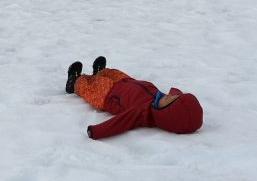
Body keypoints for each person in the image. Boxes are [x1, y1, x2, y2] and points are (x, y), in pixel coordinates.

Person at [65, 56, 203, 139]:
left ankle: (75, 82)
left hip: (107, 95)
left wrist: (97, 131)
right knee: (113, 72)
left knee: (90, 86)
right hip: (126, 81)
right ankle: (101, 72)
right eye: (174, 96)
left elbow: (121, 123)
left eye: (169, 99)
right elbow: (178, 97)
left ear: (165, 113)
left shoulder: (142, 113)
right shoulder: (162, 100)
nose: (169, 94)